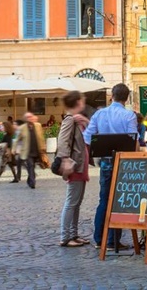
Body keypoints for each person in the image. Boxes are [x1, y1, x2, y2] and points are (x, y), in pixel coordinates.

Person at [83, 83, 139, 250]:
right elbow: (133, 141)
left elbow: (87, 137)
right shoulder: (129, 116)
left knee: (104, 200)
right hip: (123, 162)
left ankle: (100, 238)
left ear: (111, 96)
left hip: (106, 161)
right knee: (119, 201)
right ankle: (113, 240)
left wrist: (92, 156)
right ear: (126, 98)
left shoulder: (99, 114)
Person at [55, 91, 91, 247]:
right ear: (78, 102)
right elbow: (62, 141)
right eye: (82, 100)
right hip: (74, 166)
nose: (84, 102)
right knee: (71, 202)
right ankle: (65, 236)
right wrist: (65, 160)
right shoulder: (70, 119)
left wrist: (85, 121)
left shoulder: (78, 120)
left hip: (81, 166)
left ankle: (73, 234)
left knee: (76, 202)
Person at [18, 112, 48, 189]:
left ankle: (29, 180)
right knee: (30, 165)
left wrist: (44, 148)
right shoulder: (22, 128)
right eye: (28, 117)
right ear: (25, 119)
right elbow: (16, 139)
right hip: (27, 151)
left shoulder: (38, 125)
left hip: (37, 150)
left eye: (31, 116)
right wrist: (14, 149)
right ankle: (32, 182)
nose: (30, 118)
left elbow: (41, 137)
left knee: (33, 166)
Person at [0, 120, 20, 184]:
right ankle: (16, 178)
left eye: (3, 127)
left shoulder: (7, 135)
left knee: (2, 166)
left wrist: (2, 146)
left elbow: (8, 144)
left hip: (7, 153)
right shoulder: (8, 134)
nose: (2, 128)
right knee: (11, 165)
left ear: (6, 127)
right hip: (8, 153)